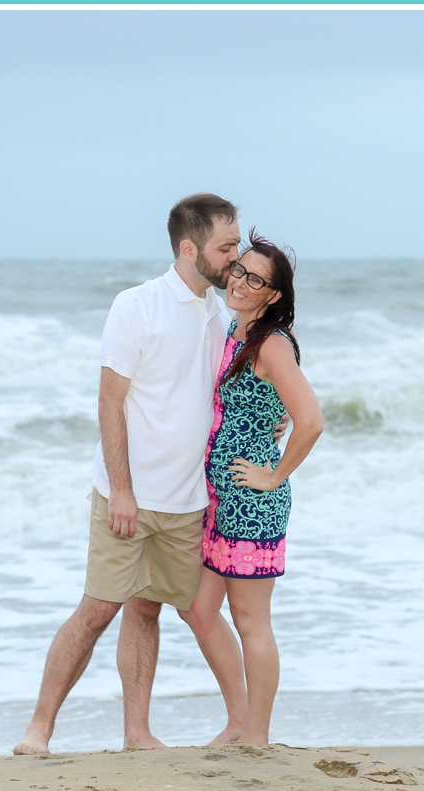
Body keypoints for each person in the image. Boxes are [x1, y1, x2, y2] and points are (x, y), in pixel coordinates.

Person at [13, 193, 244, 755]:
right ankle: (38, 730)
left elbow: (231, 393)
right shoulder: (136, 306)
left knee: (161, 608)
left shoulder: (222, 314)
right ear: (190, 249)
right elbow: (109, 401)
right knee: (98, 608)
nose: (235, 258)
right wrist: (121, 489)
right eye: (226, 247)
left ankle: (146, 733)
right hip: (129, 498)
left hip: (189, 500)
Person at [177, 229, 324, 746]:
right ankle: (239, 721)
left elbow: (310, 420)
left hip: (252, 500)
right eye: (239, 269)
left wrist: (274, 474)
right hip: (219, 500)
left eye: (254, 278)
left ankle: (255, 737)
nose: (239, 281)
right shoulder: (234, 333)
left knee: (249, 618)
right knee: (196, 608)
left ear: (274, 294)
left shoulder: (272, 344)